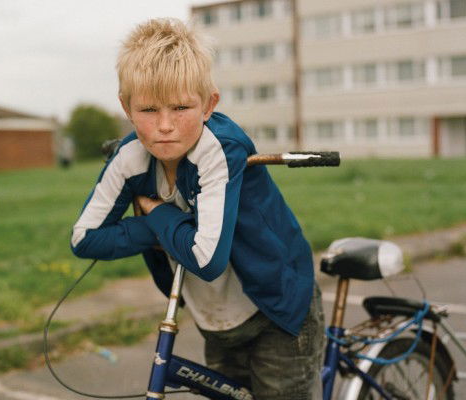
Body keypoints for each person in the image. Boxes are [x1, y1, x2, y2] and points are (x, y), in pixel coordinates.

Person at [71, 18, 324, 400]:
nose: (165, 126)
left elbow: (207, 258)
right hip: (217, 320)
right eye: (148, 110)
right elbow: (84, 239)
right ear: (126, 107)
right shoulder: (131, 158)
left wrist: (157, 212)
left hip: (276, 310)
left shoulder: (219, 149)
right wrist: (163, 230)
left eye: (181, 107)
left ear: (209, 105)